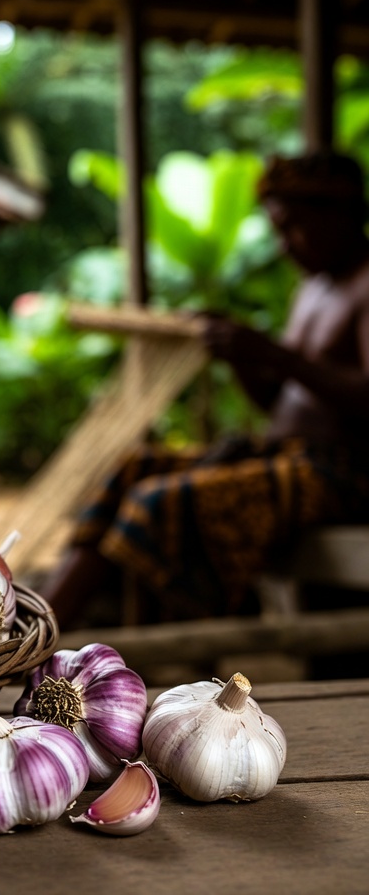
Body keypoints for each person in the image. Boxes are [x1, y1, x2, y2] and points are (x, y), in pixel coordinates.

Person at [39, 150, 369, 629]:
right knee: (134, 468)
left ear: (340, 215)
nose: (284, 244)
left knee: (160, 501)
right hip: (286, 458)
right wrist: (241, 356)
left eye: (293, 226)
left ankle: (123, 645)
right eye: (277, 229)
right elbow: (279, 402)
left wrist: (275, 354)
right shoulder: (314, 288)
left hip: (347, 474)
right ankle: (42, 625)